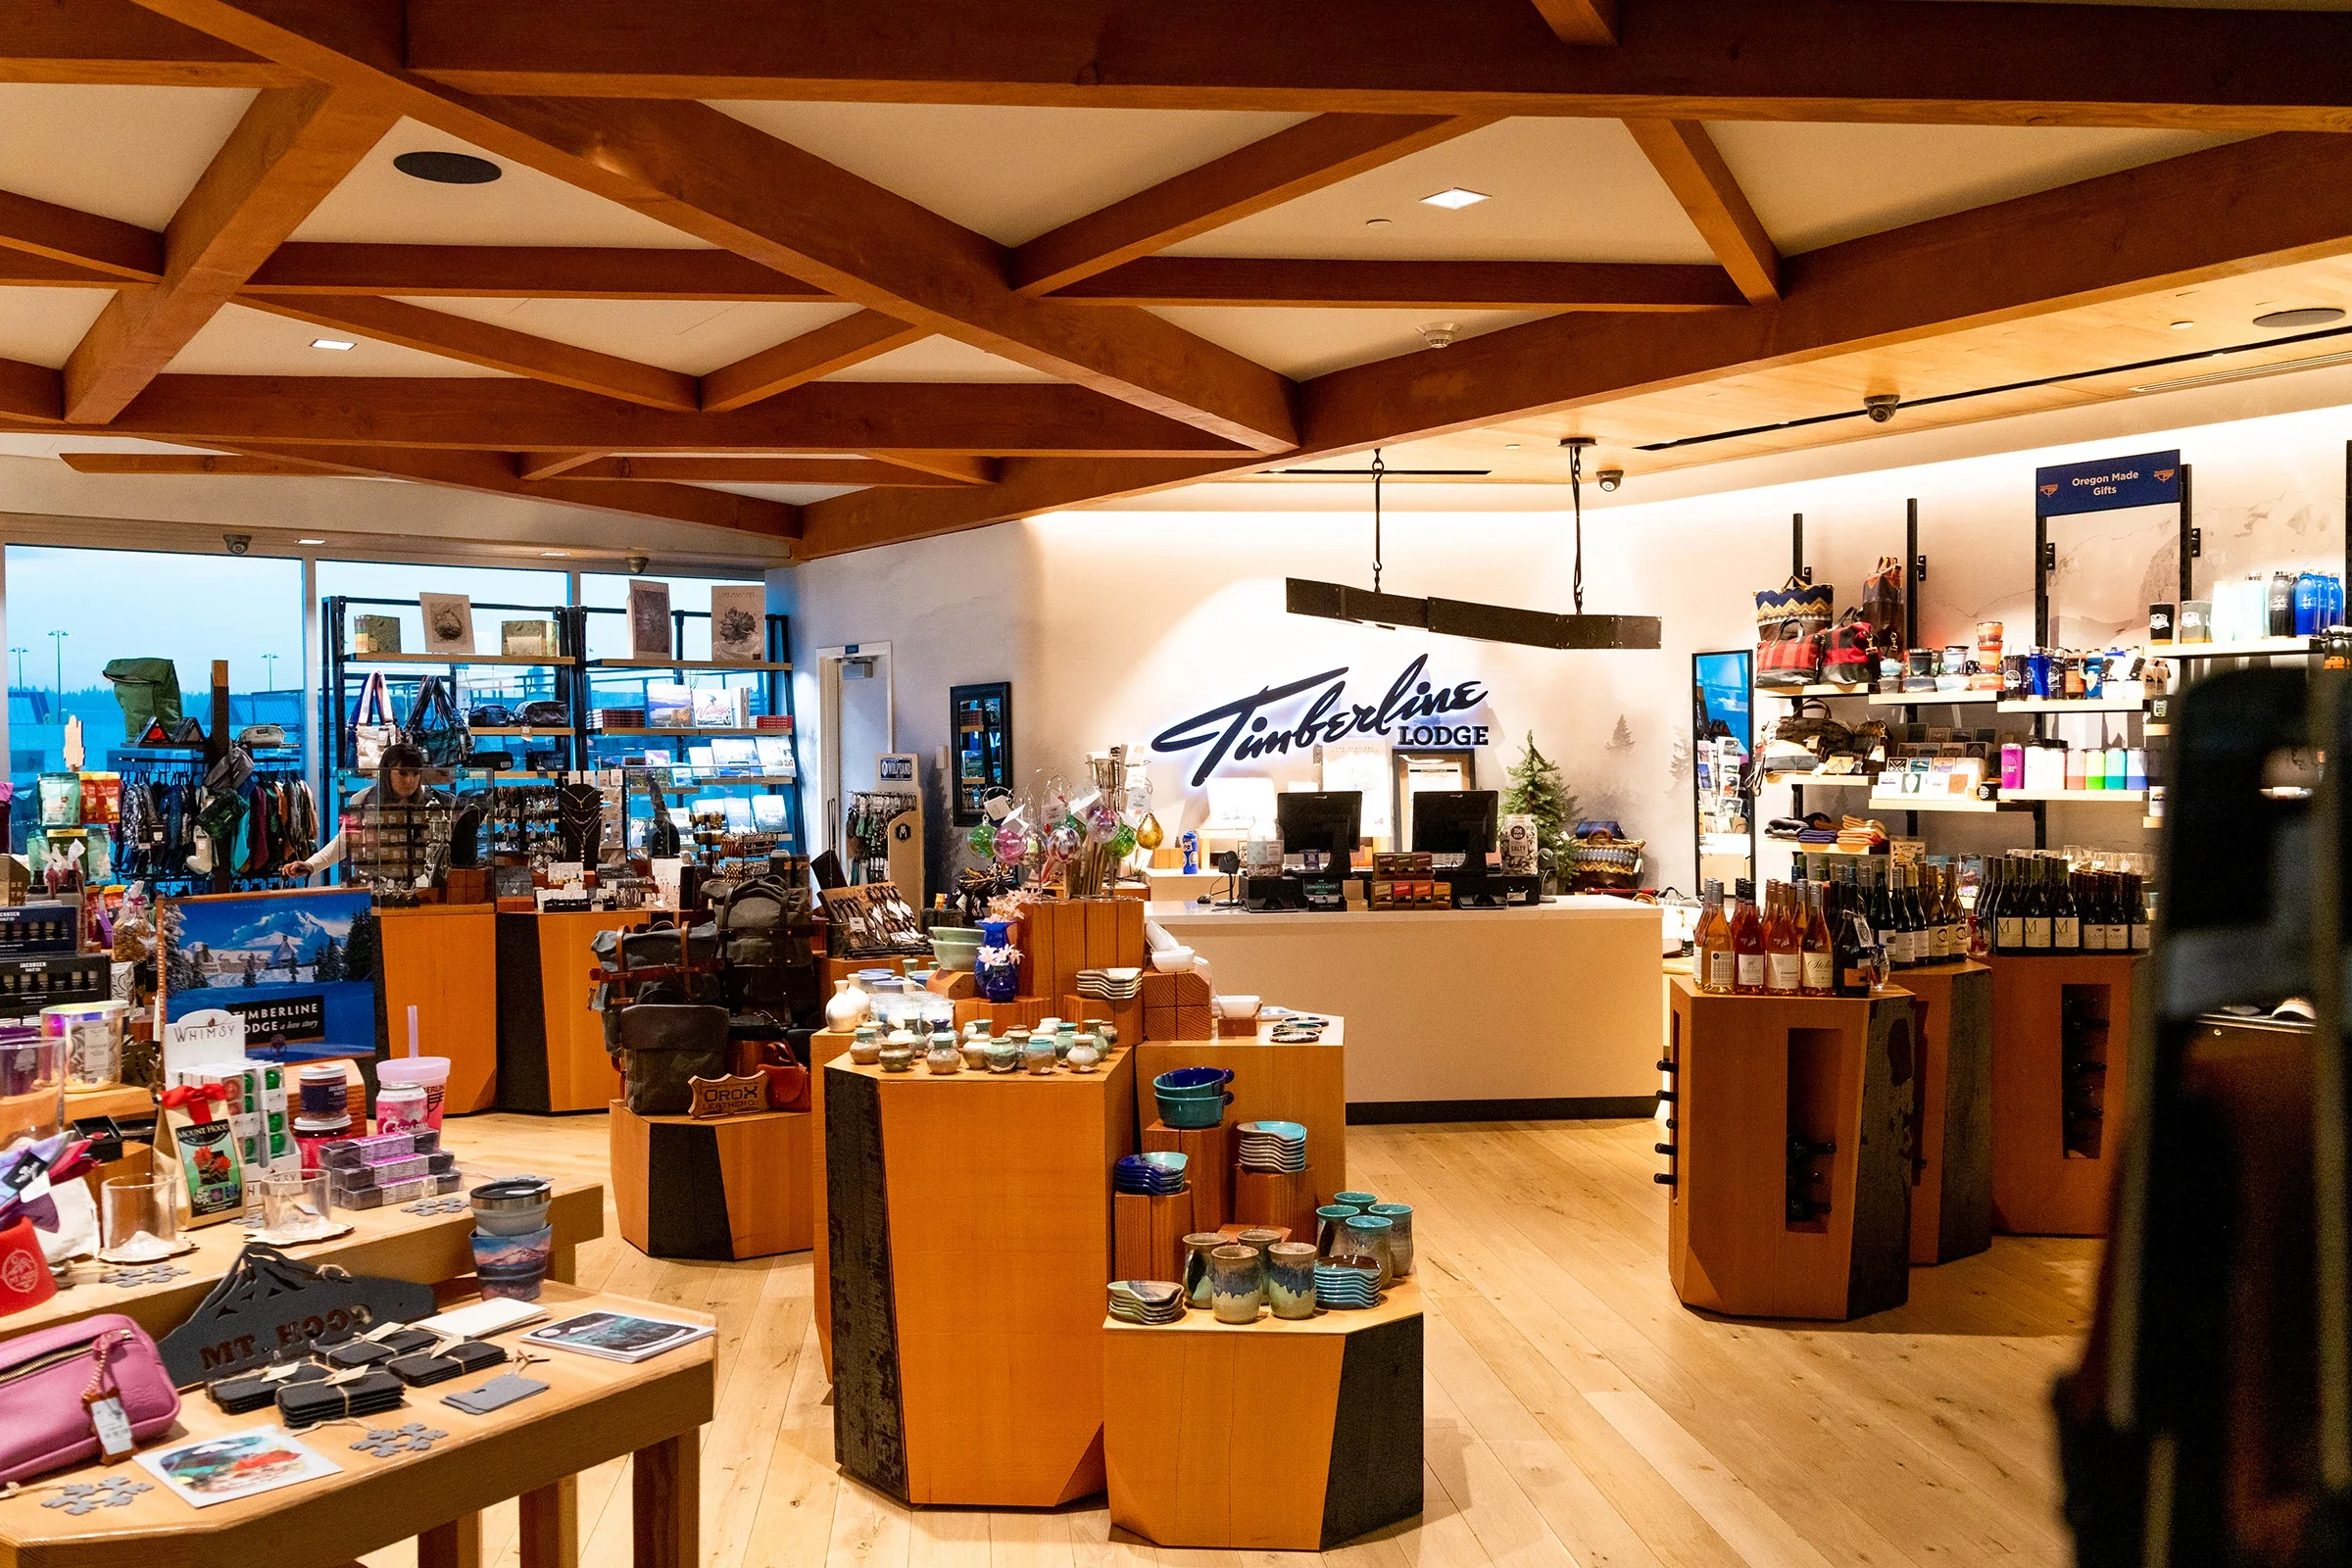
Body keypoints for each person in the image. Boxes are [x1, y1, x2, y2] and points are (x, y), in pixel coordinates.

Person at [285, 742, 446, 883]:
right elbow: (345, 841)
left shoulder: (435, 802)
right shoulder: (361, 800)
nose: (410, 781)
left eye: (416, 773)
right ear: (386, 772)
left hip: (424, 888)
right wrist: (311, 864)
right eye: (402, 773)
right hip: (376, 887)